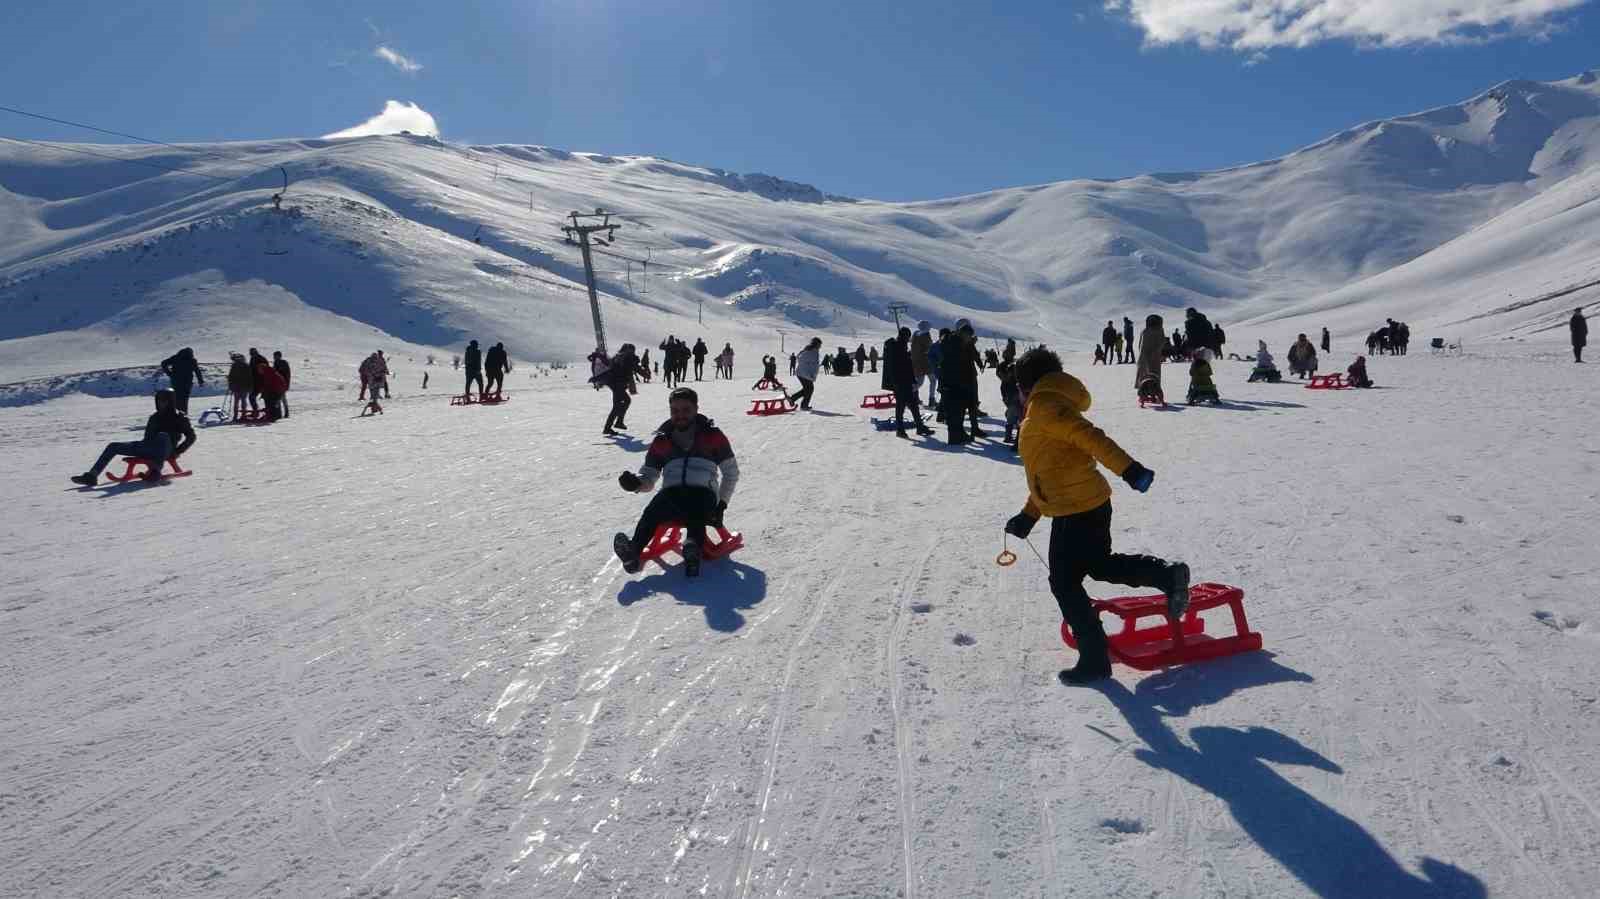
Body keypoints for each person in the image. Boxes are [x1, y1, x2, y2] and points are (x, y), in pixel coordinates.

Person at [1002, 347, 1190, 685]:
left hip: (1075, 510)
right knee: (1099, 565)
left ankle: (1094, 658)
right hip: (1084, 504)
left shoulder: (1045, 408)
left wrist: (1129, 469)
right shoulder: (1049, 406)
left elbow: (1091, 438)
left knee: (1064, 581)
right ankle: (1167, 576)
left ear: (1025, 386)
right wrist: (1028, 515)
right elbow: (1051, 471)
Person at [612, 387, 740, 578]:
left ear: (696, 409)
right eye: (675, 411)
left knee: (696, 508)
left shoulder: (712, 436)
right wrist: (636, 484)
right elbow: (649, 476)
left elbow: (731, 472)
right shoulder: (662, 440)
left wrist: (721, 505)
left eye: (686, 410)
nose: (680, 415)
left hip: (703, 493)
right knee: (653, 510)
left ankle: (692, 548)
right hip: (672, 494)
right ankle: (633, 551)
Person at [71, 388, 196, 486]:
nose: (161, 403)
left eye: (164, 400)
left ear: (171, 401)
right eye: (159, 400)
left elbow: (191, 436)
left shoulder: (180, 417)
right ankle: (92, 476)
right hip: (148, 447)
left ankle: (155, 472)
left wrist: (177, 451)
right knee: (113, 446)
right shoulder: (154, 417)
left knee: (162, 436)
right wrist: (140, 446)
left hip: (166, 449)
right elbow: (147, 437)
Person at [885, 328, 934, 438]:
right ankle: (901, 430)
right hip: (901, 382)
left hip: (904, 382)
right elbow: (899, 367)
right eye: (908, 337)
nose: (908, 339)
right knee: (901, 407)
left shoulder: (899, 346)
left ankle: (917, 427)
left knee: (911, 405)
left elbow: (906, 365)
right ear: (905, 336)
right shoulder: (898, 347)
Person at [592, 343, 639, 436]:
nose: (633, 352)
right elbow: (613, 371)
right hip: (617, 385)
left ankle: (618, 423)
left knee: (626, 401)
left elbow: (611, 370)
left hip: (616, 385)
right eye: (632, 350)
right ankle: (608, 427)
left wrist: (597, 378)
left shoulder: (620, 357)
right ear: (627, 350)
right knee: (617, 406)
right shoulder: (624, 358)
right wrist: (597, 378)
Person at [159, 347, 204, 414]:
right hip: (187, 383)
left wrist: (170, 373)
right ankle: (183, 414)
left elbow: (163, 363)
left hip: (176, 382)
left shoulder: (175, 358)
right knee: (184, 399)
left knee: (176, 398)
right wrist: (200, 381)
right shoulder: (192, 360)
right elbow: (197, 371)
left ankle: (175, 413)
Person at [1135, 314, 1167, 405]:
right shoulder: (1160, 331)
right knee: (1154, 376)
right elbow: (1162, 343)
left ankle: (1143, 394)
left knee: (1144, 376)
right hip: (1155, 357)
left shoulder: (1145, 331)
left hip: (1144, 357)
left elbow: (1140, 345)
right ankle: (1154, 394)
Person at [789, 338, 822, 410]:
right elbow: (804, 362)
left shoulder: (810, 351)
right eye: (819, 344)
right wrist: (809, 374)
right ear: (816, 344)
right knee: (809, 389)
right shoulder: (811, 352)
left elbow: (811, 363)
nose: (820, 346)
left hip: (803, 373)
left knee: (807, 389)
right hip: (804, 373)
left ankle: (793, 399)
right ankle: (803, 405)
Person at [253, 353, 287, 421]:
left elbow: (268, 384)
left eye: (259, 370)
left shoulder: (268, 373)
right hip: (278, 389)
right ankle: (275, 415)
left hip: (277, 390)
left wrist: (264, 392)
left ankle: (272, 416)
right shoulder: (268, 371)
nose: (259, 372)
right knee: (273, 402)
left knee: (271, 402)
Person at [998, 360, 1022, 446]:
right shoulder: (1011, 382)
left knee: (1011, 420)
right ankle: (1016, 441)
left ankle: (1008, 437)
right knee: (1018, 421)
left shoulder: (1009, 381)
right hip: (1014, 404)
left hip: (1013, 404)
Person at [925, 327, 946, 410]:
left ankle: (941, 405)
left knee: (944, 389)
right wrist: (937, 364)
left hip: (943, 371)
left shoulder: (946, 344)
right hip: (940, 371)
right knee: (944, 389)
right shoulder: (936, 345)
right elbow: (930, 357)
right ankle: (941, 407)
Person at [228, 352, 253, 417]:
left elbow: (230, 377)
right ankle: (242, 415)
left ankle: (236, 415)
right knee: (242, 401)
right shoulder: (245, 365)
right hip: (242, 386)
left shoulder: (235, 366)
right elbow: (250, 377)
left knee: (237, 401)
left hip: (238, 386)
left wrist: (231, 385)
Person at [272, 351, 292, 418]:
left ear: (279, 356)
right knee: (279, 398)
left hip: (283, 383)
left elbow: (287, 374)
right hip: (277, 384)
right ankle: (279, 413)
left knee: (282, 398)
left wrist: (286, 384)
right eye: (274, 356)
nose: (274, 357)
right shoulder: (275, 363)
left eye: (275, 356)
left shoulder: (283, 363)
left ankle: (286, 412)